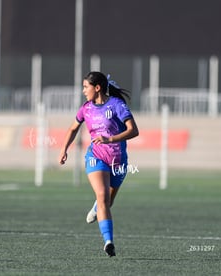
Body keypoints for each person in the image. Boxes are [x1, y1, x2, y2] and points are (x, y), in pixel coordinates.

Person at [58, 71, 139, 257]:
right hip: (96, 157)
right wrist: (64, 149)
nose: (83, 90)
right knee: (102, 196)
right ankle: (108, 241)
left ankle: (97, 207)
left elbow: (133, 131)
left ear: (97, 88)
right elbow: (72, 129)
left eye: (86, 87)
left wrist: (110, 139)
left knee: (108, 201)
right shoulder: (85, 108)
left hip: (118, 160)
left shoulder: (117, 105)